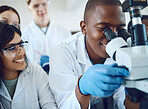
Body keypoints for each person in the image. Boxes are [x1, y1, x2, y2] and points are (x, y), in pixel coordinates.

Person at [49, 0, 129, 109]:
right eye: (103, 28)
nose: (113, 37)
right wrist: (82, 90)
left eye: (120, 29)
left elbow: (123, 101)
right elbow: (65, 105)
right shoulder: (63, 52)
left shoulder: (124, 51)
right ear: (84, 28)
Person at [0, 22, 58, 109]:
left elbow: (50, 106)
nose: (21, 52)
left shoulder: (36, 72)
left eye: (21, 45)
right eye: (12, 48)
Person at [22, 0, 72, 73]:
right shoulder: (23, 34)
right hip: (34, 79)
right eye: (36, 6)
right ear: (29, 9)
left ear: (49, 4)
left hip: (59, 77)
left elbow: (70, 59)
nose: (41, 9)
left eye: (44, 4)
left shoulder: (64, 32)